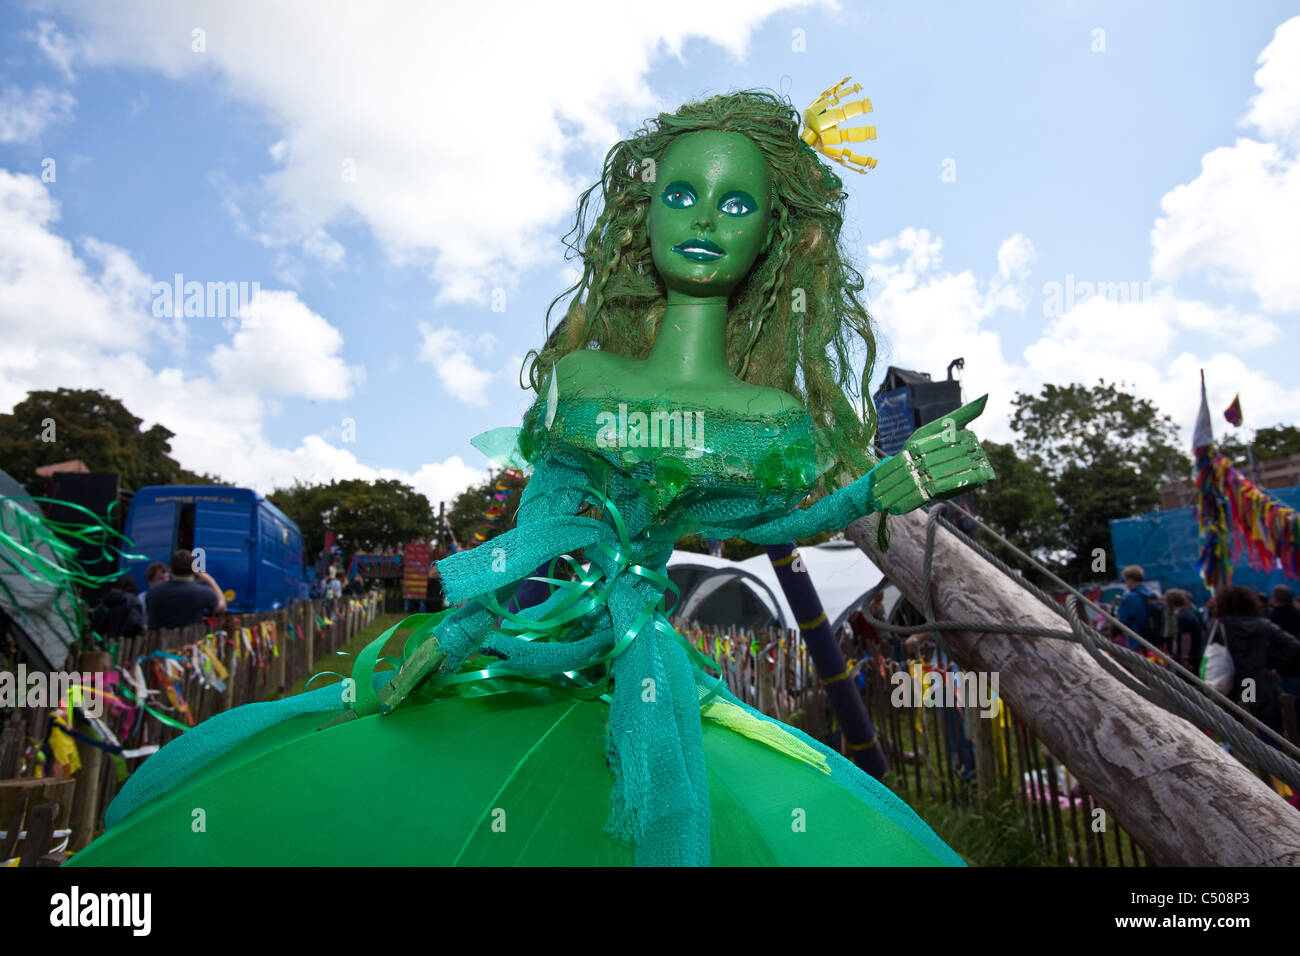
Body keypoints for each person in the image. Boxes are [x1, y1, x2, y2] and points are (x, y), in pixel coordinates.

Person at [76, 85, 994, 868]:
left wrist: (877, 490)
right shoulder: (584, 379)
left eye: (737, 205)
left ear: (776, 240)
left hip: (653, 662)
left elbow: (760, 531)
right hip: (531, 641)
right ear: (643, 213)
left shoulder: (774, 420)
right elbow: (546, 513)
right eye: (683, 194)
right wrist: (470, 617)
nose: (706, 221)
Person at [1214, 585, 1300, 736]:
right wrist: (1271, 663)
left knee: (1245, 723)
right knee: (1266, 726)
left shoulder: (1220, 626)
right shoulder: (1262, 624)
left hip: (1234, 682)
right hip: (1259, 680)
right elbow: (1292, 645)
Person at [144, 548, 227, 629]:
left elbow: (148, 616)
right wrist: (210, 580)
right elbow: (221, 608)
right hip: (187, 640)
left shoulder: (153, 591)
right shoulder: (203, 592)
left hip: (156, 640)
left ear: (171, 568)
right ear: (194, 569)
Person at [89, 574, 145, 639]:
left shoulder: (107, 600)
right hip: (125, 642)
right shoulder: (132, 600)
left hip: (105, 641)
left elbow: (95, 617)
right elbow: (135, 623)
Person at [1165, 589, 1205, 675]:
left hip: (1190, 658)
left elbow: (1186, 637)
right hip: (1195, 654)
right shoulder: (1189, 614)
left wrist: (1184, 657)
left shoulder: (1182, 617)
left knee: (1188, 679)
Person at [1114, 565, 1154, 652]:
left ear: (1130, 579)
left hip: (1138, 642)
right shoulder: (1152, 594)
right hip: (1155, 641)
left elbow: (1122, 620)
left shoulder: (1130, 597)